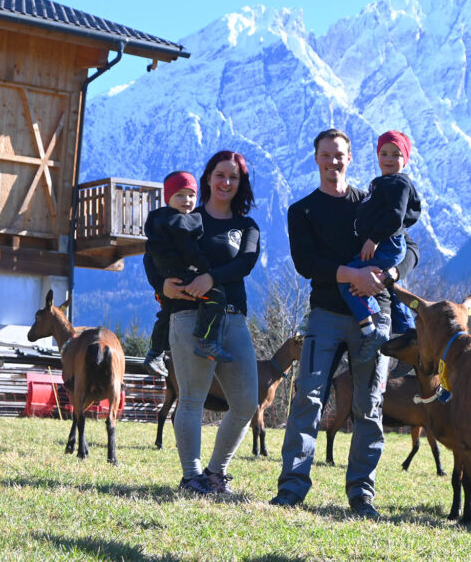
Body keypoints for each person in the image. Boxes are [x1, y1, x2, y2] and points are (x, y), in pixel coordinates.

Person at [271, 129, 419, 519]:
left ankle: (361, 494)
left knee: (369, 406)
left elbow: (410, 248)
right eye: (326, 154)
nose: (333, 161)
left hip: (377, 313)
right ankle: (292, 487)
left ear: (350, 159)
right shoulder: (301, 210)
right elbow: (306, 263)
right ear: (316, 158)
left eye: (340, 155)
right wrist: (351, 276)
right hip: (325, 313)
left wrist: (387, 274)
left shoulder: (373, 200)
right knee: (308, 399)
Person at [145, 150, 261, 495]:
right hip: (188, 317)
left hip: (233, 319)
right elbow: (153, 254)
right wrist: (160, 284)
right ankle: (191, 477)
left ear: (241, 184)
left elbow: (245, 264)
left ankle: (215, 473)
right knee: (192, 399)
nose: (226, 182)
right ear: (208, 177)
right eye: (220, 175)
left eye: (234, 177)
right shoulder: (185, 216)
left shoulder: (246, 226)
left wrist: (210, 278)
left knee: (246, 403)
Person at [142, 171, 233, 377]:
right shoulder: (181, 223)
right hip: (184, 276)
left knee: (165, 314)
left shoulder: (158, 222)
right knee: (216, 297)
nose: (187, 200)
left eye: (191, 195)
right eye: (180, 195)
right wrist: (205, 270)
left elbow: (149, 255)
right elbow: (190, 250)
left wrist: (160, 284)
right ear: (168, 198)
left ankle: (154, 353)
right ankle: (207, 339)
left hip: (167, 278)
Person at [338, 130, 421, 358]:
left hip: (386, 245)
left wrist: (373, 239)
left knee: (348, 281)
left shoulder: (398, 183)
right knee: (394, 291)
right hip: (389, 245)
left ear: (405, 159)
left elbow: (395, 217)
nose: (388, 159)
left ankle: (372, 325)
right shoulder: (384, 184)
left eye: (396, 154)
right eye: (383, 153)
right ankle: (409, 336)